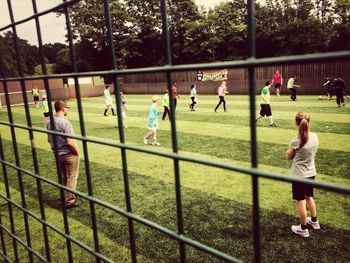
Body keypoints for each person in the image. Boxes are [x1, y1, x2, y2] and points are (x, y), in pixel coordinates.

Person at [285, 112, 320, 238]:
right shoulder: (315, 137)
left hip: (299, 175)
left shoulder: (296, 141)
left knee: (301, 200)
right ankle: (314, 221)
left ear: (296, 123)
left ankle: (303, 228)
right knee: (309, 196)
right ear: (308, 122)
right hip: (311, 173)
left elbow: (287, 157)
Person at [47, 100, 81, 208]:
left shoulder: (49, 122)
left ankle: (66, 196)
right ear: (62, 108)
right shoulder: (65, 122)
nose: (68, 109)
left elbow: (49, 139)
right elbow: (70, 142)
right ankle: (70, 200)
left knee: (64, 177)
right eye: (67, 107)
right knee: (72, 177)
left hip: (57, 154)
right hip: (69, 154)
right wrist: (77, 152)